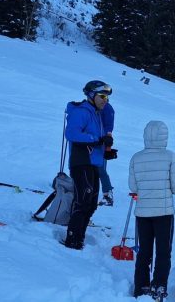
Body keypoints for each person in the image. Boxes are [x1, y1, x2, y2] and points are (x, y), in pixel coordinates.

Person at [128, 121, 175, 299]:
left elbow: (133, 186)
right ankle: (159, 286)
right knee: (163, 251)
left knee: (144, 251)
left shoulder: (136, 158)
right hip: (164, 213)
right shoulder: (170, 157)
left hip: (143, 213)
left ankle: (140, 287)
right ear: (164, 136)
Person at [62, 80, 113, 250]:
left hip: (93, 163)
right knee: (83, 200)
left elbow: (97, 139)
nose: (105, 100)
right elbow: (71, 133)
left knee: (91, 203)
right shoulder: (82, 112)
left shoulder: (97, 114)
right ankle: (72, 239)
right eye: (102, 96)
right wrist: (96, 139)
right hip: (81, 162)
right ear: (91, 95)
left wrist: (106, 150)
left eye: (107, 97)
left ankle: (79, 237)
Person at [98, 103, 116, 206]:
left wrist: (108, 140)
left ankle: (107, 194)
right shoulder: (101, 106)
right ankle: (106, 193)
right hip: (99, 141)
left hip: (102, 142)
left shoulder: (107, 107)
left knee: (101, 169)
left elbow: (109, 126)